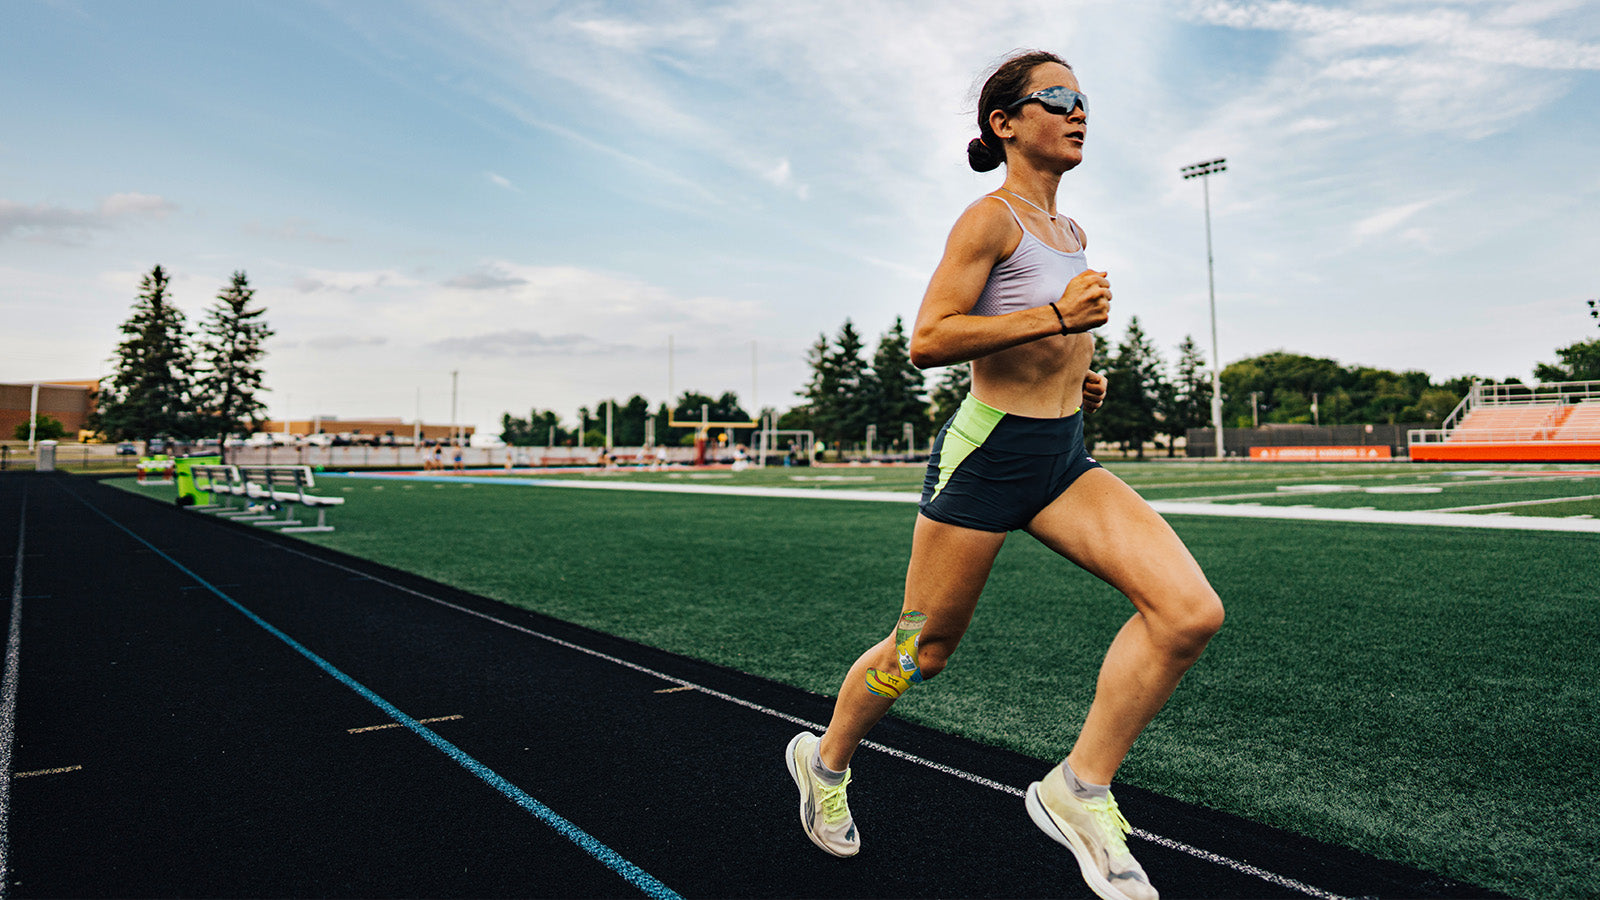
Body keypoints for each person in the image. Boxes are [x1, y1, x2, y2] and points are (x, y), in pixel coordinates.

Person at [784, 51, 1224, 900]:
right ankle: (826, 759)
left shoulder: (1073, 232)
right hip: (985, 459)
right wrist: (1057, 317)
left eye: (1083, 98)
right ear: (1005, 123)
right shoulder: (989, 220)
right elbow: (929, 339)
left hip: (1061, 456)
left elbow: (1043, 341)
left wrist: (1078, 370)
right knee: (921, 649)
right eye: (1055, 98)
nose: (1077, 109)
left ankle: (1080, 788)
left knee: (1187, 612)